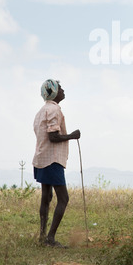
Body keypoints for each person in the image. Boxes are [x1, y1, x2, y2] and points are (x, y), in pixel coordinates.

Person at [33, 79, 81, 247]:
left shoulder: (41, 111)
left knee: (46, 197)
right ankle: (50, 239)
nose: (63, 90)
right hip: (52, 160)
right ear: (53, 92)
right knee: (63, 198)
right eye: (60, 88)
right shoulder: (54, 109)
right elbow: (53, 137)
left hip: (41, 158)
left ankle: (42, 236)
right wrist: (72, 136)